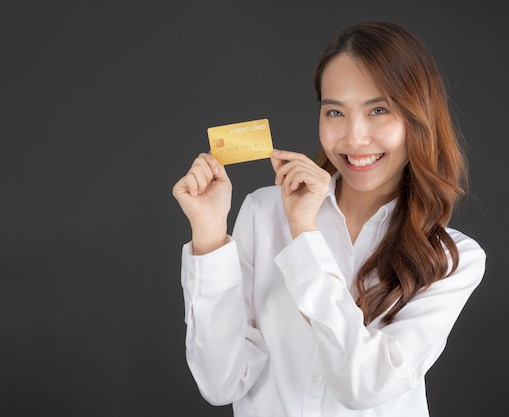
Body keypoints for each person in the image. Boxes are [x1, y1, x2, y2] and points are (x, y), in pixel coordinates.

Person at [172, 20, 486, 416]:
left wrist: (305, 235)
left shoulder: (452, 258)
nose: (354, 138)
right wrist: (209, 235)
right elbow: (220, 383)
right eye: (335, 112)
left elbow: (365, 387)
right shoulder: (262, 213)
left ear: (419, 118)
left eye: (378, 110)